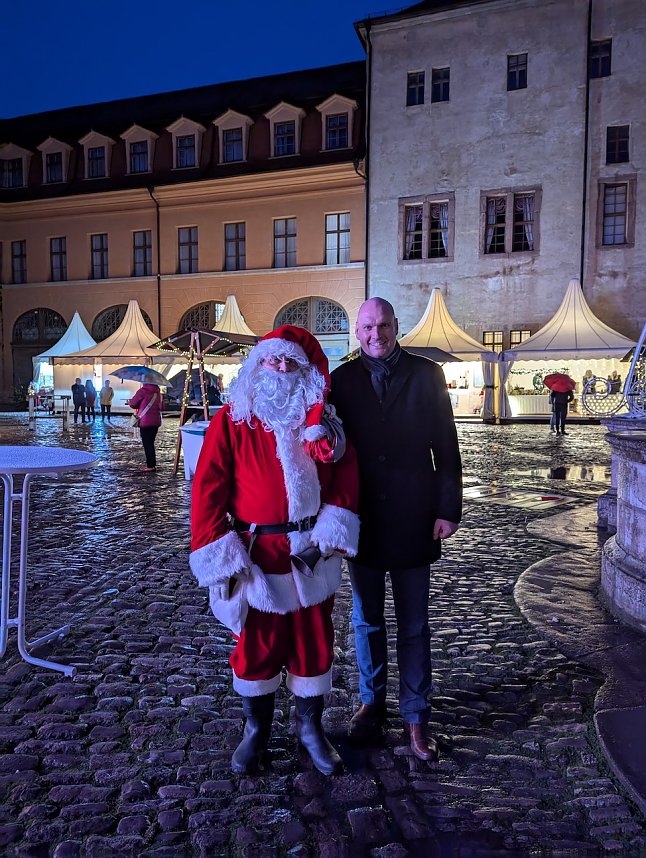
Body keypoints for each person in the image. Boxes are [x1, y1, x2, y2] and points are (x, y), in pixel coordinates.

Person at [190, 325, 359, 776]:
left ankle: (310, 729)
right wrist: (217, 549)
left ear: (306, 372)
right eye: (273, 360)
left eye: (291, 362)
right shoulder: (231, 420)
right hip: (256, 556)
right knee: (257, 646)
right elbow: (207, 489)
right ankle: (256, 730)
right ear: (257, 365)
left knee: (313, 643)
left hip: (310, 551)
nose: (282, 368)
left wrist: (331, 530)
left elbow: (345, 479)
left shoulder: (323, 423)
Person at [330, 297, 463, 762]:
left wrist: (448, 510)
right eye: (367, 327)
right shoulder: (341, 380)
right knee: (366, 620)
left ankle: (416, 715)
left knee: (414, 624)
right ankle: (371, 703)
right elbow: (328, 449)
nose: (376, 334)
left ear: (396, 326)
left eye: (383, 325)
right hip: (361, 520)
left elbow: (447, 449)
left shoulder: (427, 375)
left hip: (413, 517)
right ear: (357, 332)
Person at [127, 383, 163, 471]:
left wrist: (129, 402)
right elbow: (162, 406)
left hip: (145, 421)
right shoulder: (158, 393)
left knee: (147, 443)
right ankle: (152, 464)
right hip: (156, 421)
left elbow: (134, 403)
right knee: (151, 443)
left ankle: (150, 466)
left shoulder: (142, 391)